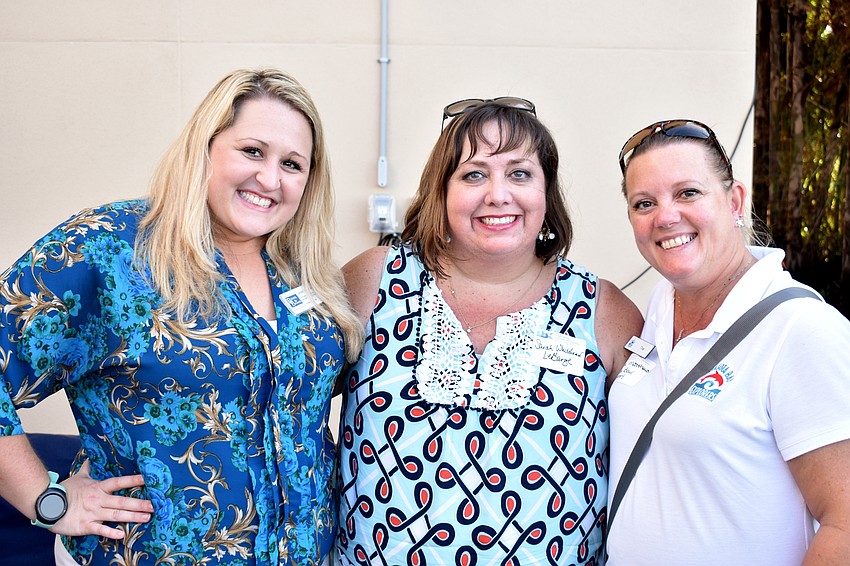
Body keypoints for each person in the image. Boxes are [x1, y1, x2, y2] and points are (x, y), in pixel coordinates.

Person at [0, 67, 363, 565]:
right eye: (252, 151)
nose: (270, 178)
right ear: (205, 148)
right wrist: (45, 499)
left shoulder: (304, 273)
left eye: (293, 164)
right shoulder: (110, 250)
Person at [336, 98, 643, 565]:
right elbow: (288, 398)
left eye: (520, 173)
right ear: (440, 191)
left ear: (547, 193)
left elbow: (662, 460)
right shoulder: (374, 282)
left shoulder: (604, 309)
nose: (498, 194)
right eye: (474, 174)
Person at [606, 119, 850, 564]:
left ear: (735, 200)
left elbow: (844, 524)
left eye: (688, 193)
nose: (666, 216)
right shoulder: (655, 311)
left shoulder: (800, 329)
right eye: (645, 203)